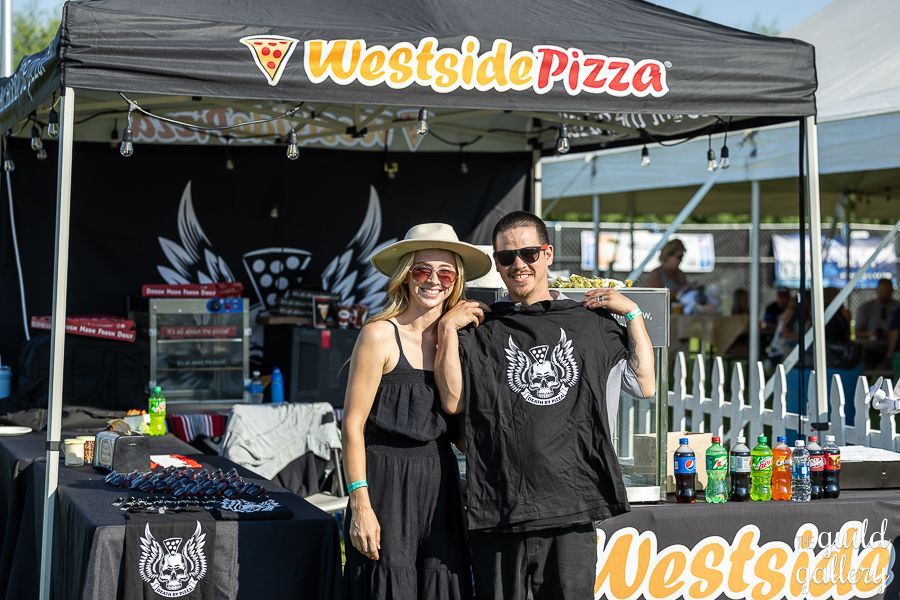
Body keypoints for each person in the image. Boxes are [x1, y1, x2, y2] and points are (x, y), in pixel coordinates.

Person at [435, 211, 655, 600]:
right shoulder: (480, 328)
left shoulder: (589, 323)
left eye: (529, 253)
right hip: (499, 508)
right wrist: (447, 330)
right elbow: (452, 401)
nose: (518, 264)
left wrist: (634, 315)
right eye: (507, 257)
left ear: (548, 254)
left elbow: (644, 384)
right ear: (498, 265)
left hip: (572, 506)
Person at [342, 223, 492, 600]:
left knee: (441, 584)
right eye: (422, 270)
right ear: (406, 276)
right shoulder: (379, 334)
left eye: (445, 273)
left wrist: (450, 335)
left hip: (440, 480)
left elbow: (456, 413)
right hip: (384, 481)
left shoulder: (459, 338)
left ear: (456, 281)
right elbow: (353, 425)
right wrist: (360, 502)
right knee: (388, 587)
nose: (433, 281)